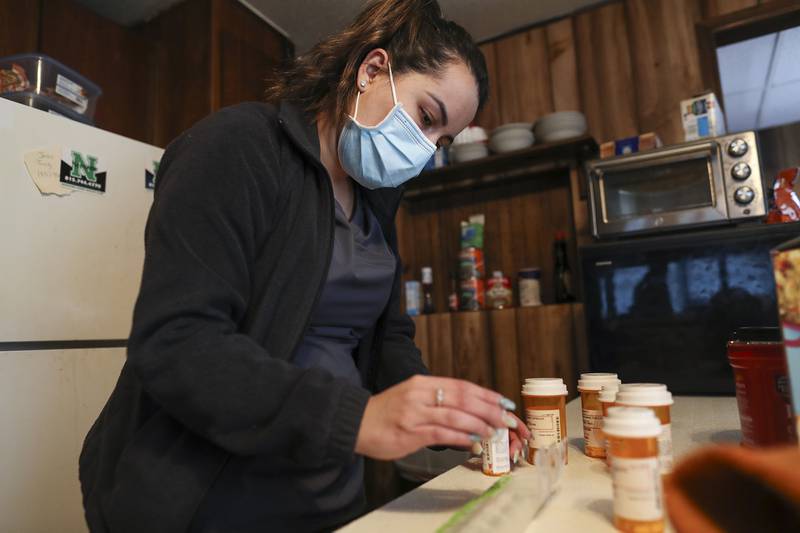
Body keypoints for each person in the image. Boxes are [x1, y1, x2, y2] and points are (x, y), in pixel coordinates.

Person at [79, 1, 529, 531]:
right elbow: (179, 343)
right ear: (372, 70)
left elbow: (387, 340)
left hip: (325, 491)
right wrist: (358, 418)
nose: (427, 152)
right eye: (427, 118)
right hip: (207, 500)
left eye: (442, 140)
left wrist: (446, 417)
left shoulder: (376, 204)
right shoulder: (238, 147)